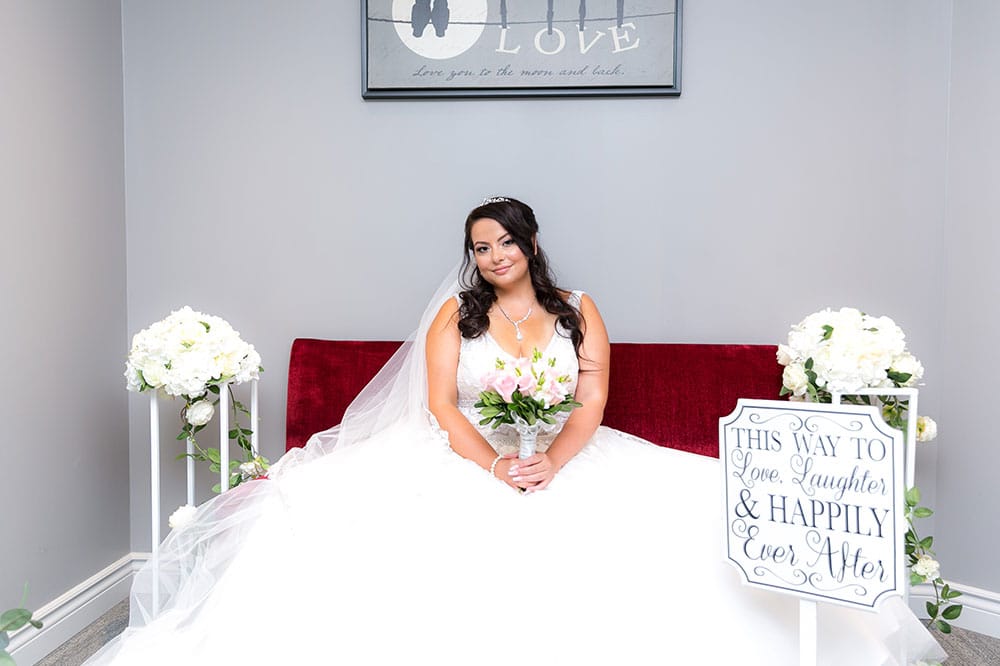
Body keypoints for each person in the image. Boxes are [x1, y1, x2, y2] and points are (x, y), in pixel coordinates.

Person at [86, 197, 946, 665]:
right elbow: (443, 410)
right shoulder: (453, 324)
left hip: (569, 459)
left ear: (530, 243)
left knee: (675, 535)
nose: (493, 256)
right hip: (465, 462)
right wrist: (498, 468)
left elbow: (591, 401)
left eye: (504, 241)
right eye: (479, 247)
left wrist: (554, 463)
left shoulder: (579, 312)